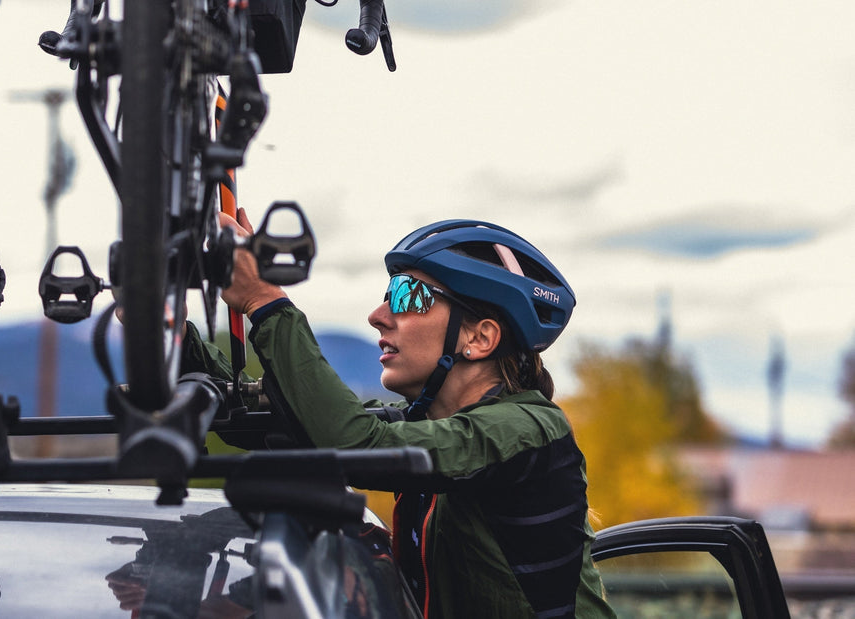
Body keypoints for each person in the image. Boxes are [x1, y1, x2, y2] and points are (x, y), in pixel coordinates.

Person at [194, 210, 615, 618]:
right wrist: (167, 332)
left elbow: (356, 444)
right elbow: (280, 424)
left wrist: (265, 301)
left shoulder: (527, 429)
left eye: (406, 296)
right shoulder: (428, 426)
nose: (378, 317)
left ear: (480, 337)